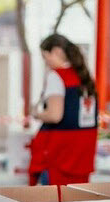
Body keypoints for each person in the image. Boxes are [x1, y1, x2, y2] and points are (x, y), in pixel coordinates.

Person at [28, 33, 98, 186]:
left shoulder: (57, 77)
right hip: (82, 157)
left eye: (46, 57)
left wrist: (36, 114)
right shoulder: (85, 77)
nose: (46, 63)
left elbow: (55, 116)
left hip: (60, 157)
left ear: (57, 52)